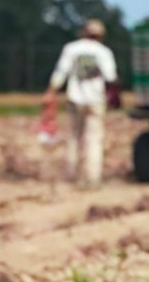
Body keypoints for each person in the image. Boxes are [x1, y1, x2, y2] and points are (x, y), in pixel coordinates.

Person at [44, 19, 118, 189]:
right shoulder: (104, 52)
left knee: (73, 138)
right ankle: (92, 179)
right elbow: (111, 78)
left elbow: (61, 72)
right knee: (94, 139)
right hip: (95, 100)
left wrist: (51, 92)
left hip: (75, 98)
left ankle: (71, 175)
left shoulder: (71, 49)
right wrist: (114, 98)